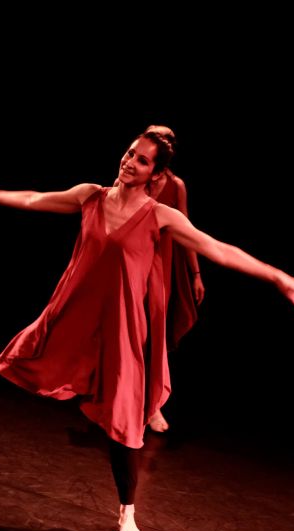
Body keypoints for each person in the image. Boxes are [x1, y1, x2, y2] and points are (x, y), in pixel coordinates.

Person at [0, 130, 294, 531]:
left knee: (124, 416)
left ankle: (127, 511)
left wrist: (278, 277)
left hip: (120, 327)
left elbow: (220, 249)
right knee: (18, 363)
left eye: (142, 160)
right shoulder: (91, 196)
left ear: (155, 174)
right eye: (130, 153)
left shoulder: (160, 215)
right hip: (71, 315)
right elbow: (36, 198)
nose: (130, 162)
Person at [117, 125, 203, 432]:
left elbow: (188, 234)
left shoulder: (175, 186)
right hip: (130, 261)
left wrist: (195, 273)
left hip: (159, 266)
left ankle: (152, 405)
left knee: (155, 334)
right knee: (125, 331)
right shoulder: (130, 174)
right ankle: (119, 397)